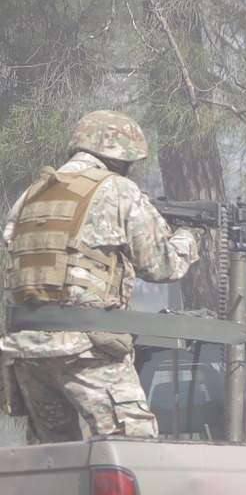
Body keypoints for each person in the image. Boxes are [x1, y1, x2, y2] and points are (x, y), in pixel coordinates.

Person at [1, 111, 197, 442]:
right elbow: (162, 267)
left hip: (26, 351)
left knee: (52, 460)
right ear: (120, 159)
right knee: (134, 445)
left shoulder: (30, 196)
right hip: (85, 349)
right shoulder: (118, 190)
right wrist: (189, 238)